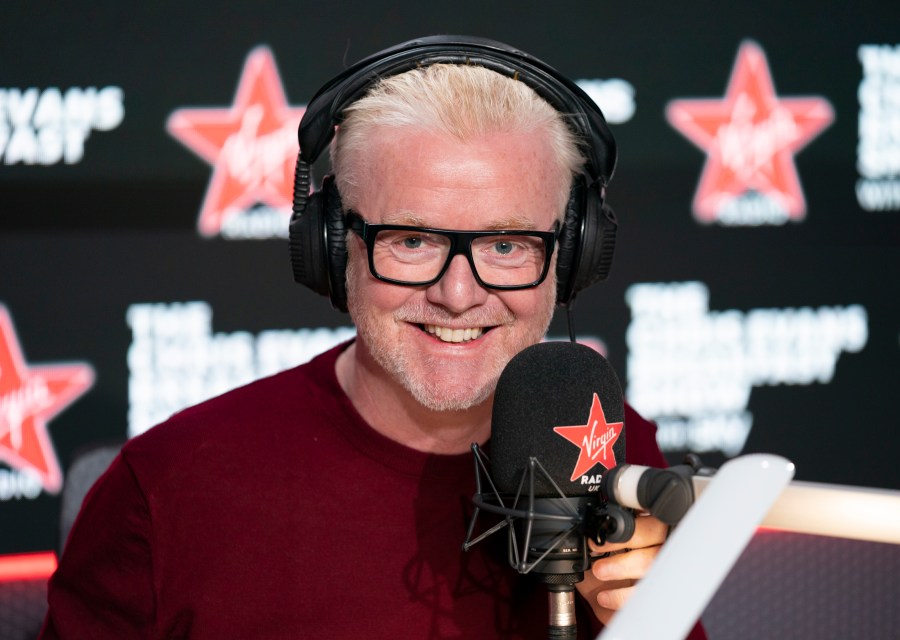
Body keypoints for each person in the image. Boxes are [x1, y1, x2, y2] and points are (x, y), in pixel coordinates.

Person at [41, 36, 707, 639]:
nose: (458, 293)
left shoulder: (614, 451)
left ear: (573, 255)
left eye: (507, 244)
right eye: (412, 240)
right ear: (332, 249)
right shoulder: (168, 489)